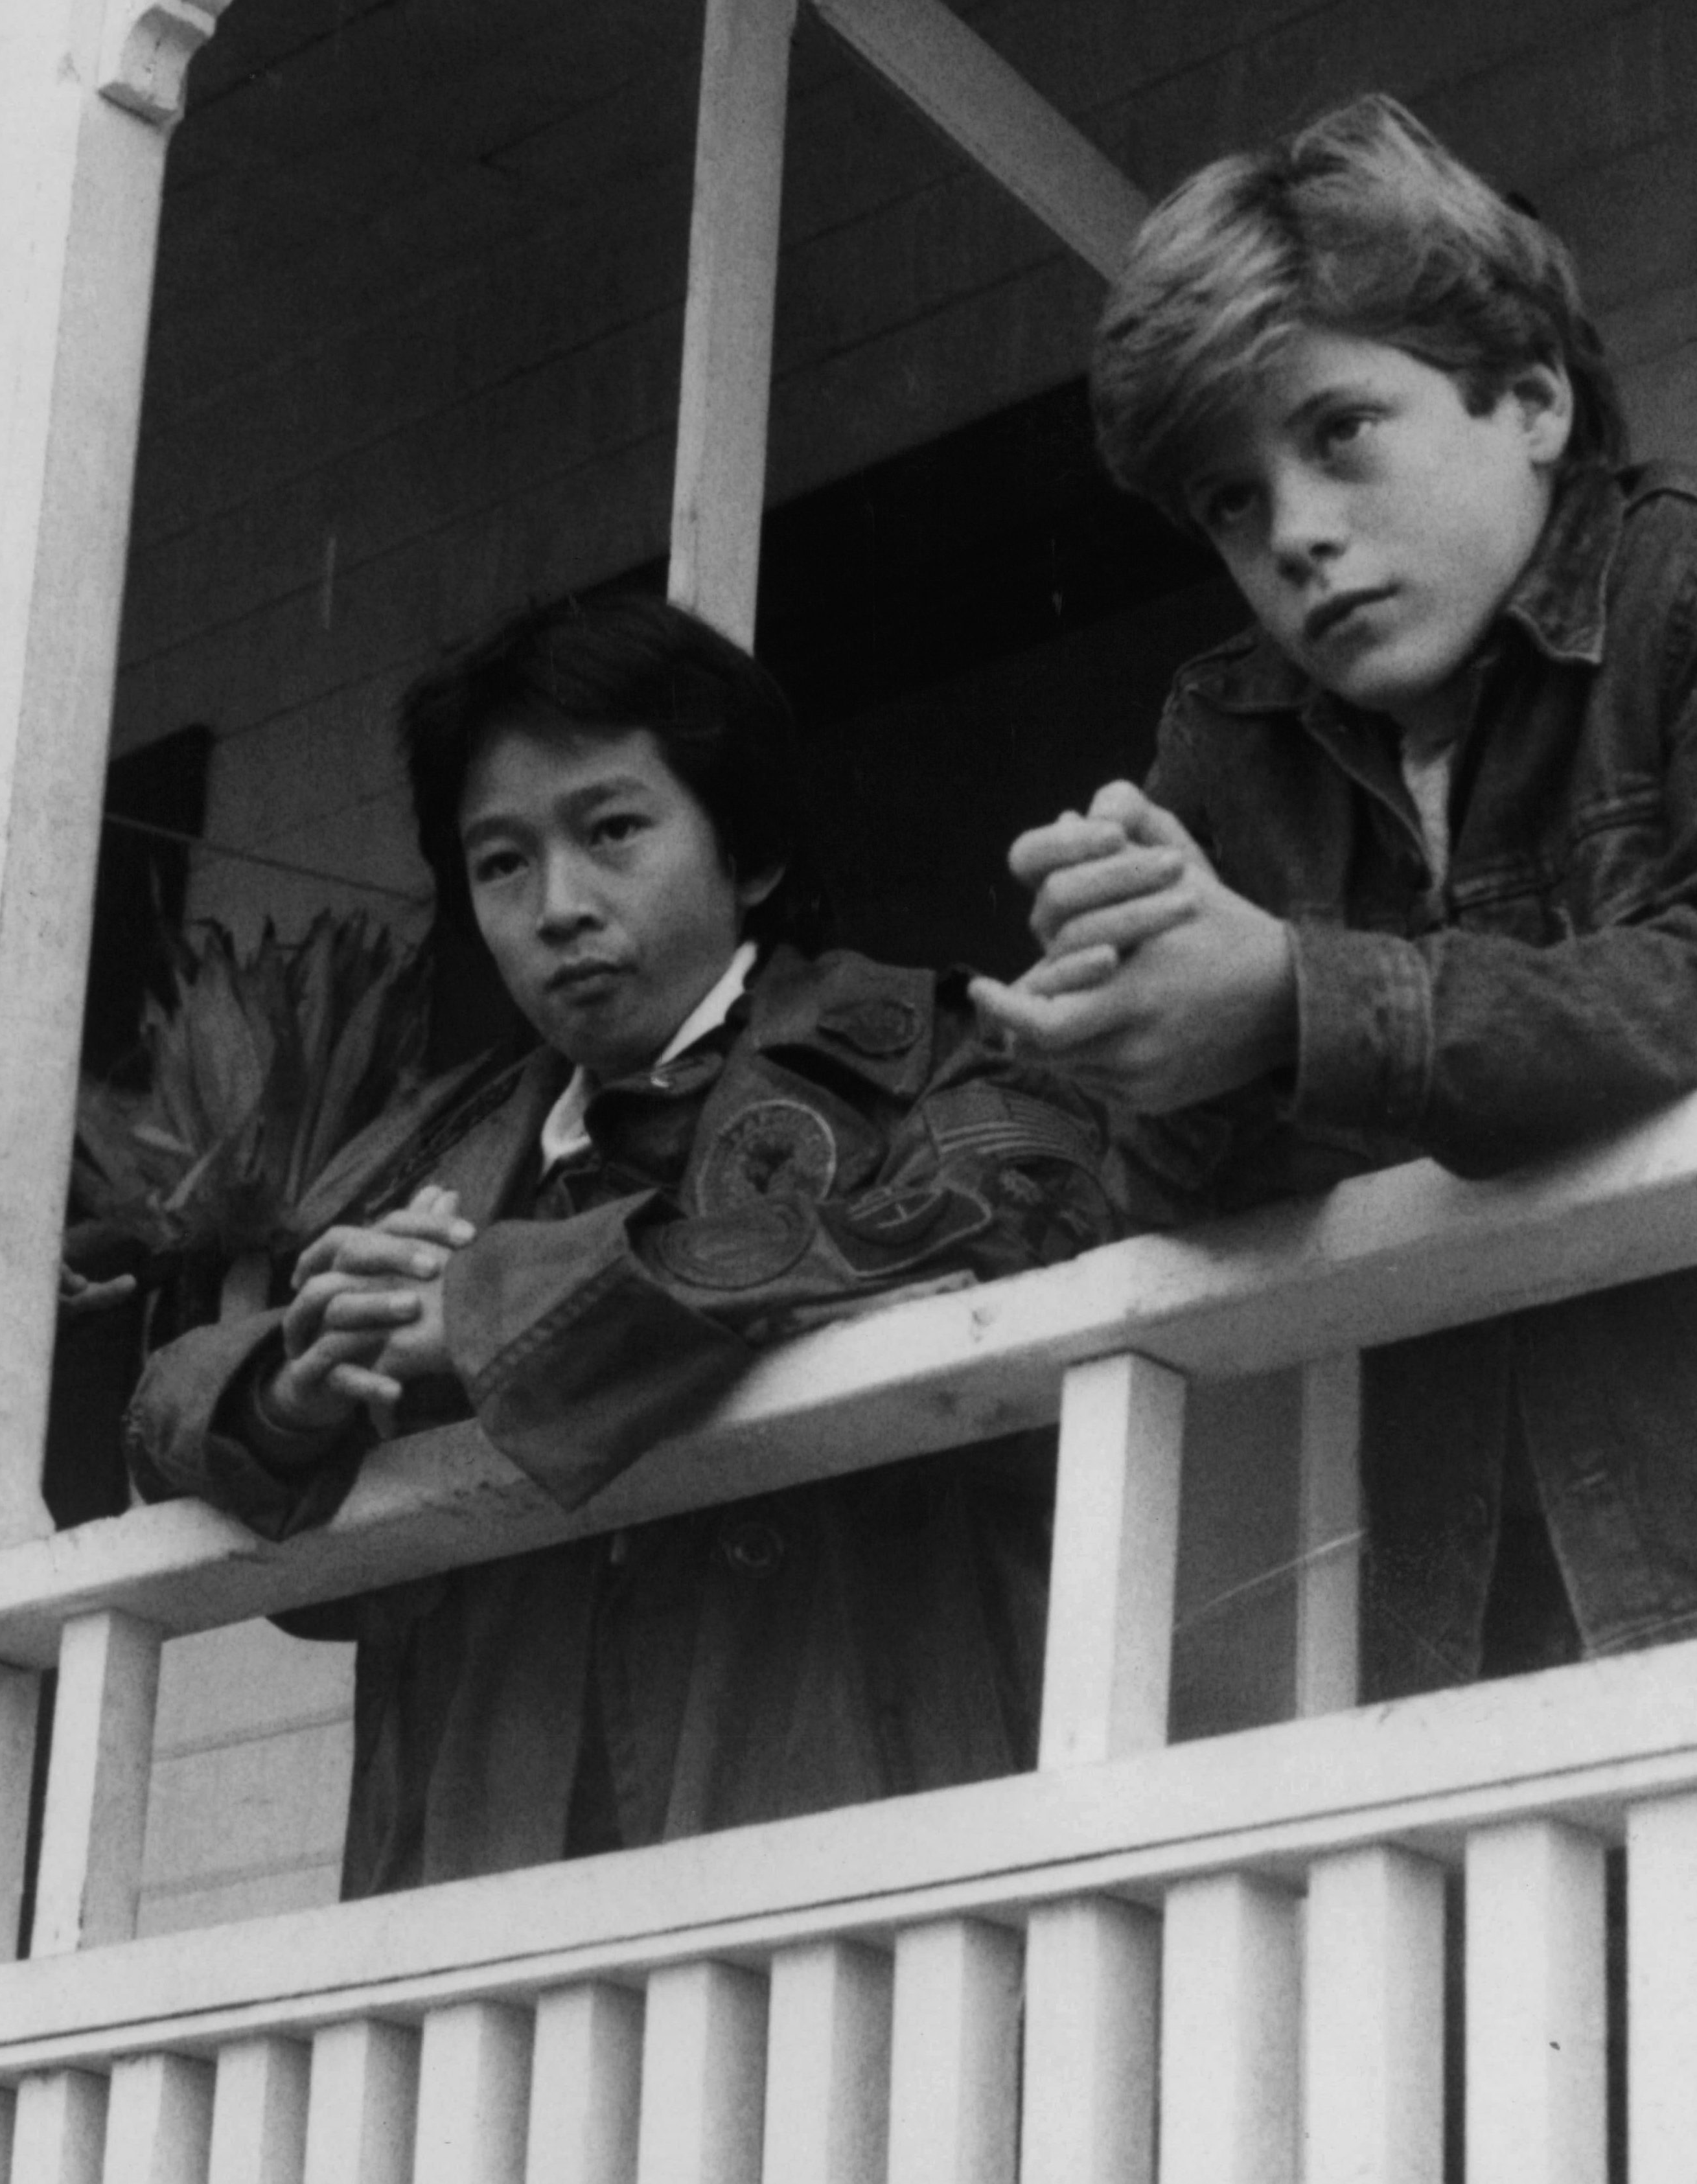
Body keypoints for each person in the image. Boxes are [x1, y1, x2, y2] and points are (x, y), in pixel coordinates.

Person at [975, 94, 1697, 1693]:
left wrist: (1289, 998)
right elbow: (1188, 1218)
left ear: (1525, 398)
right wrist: (1148, 1043)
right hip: (1432, 1642)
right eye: (1229, 503)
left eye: (1337, 435)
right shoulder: (1225, 736)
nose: (1293, 535)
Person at [128, 593, 1114, 1896]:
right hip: (482, 1852)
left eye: (611, 832)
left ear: (747, 852)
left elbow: (997, 1231)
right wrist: (292, 1389)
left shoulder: (932, 1055)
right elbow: (179, 1417)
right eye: (499, 863)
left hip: (837, 1808)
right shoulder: (424, 1151)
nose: (558, 906)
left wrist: (492, 1309)